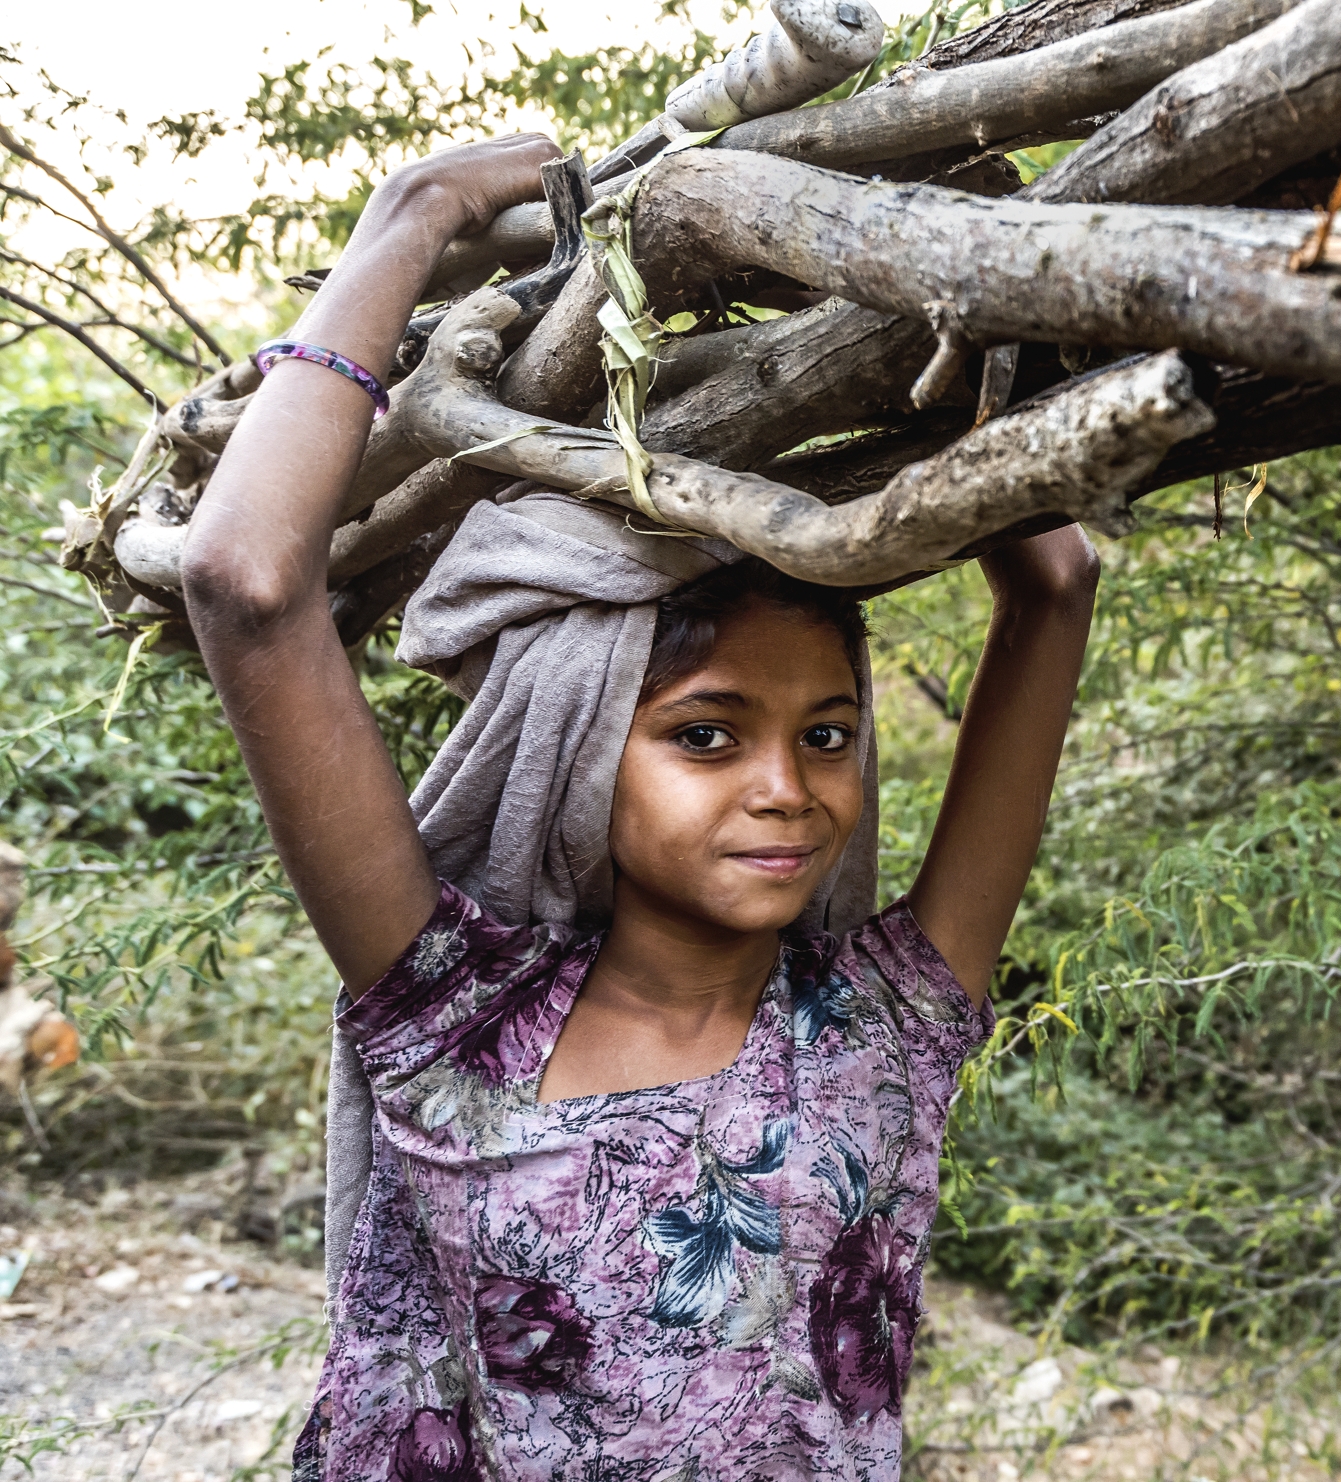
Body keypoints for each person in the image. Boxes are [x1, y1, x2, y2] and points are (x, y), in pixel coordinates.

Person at [180, 134, 1100, 1481]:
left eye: (828, 734)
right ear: (576, 743)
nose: (786, 788)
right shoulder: (459, 1016)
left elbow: (1054, 585)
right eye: (706, 735)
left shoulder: (885, 1023)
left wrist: (920, 298)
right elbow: (248, 586)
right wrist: (416, 212)